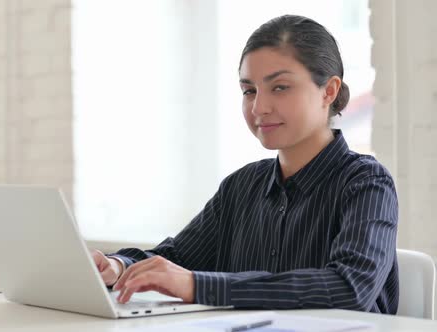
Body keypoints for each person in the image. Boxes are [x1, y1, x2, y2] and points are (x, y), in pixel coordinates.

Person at [90, 14, 398, 314]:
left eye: (280, 87)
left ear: (328, 91)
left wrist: (201, 286)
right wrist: (118, 267)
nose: (259, 107)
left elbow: (349, 287)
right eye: (249, 90)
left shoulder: (366, 183)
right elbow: (177, 258)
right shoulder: (242, 185)